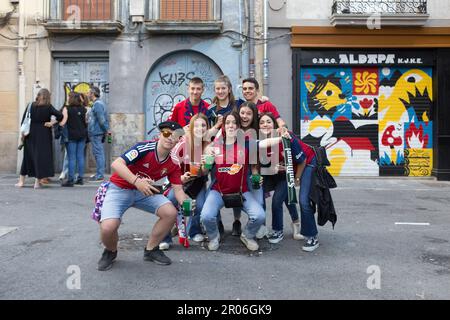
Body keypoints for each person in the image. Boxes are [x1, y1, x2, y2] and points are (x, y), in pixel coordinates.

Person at [96, 121, 193, 271]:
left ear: (178, 140)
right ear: (160, 135)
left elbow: (179, 191)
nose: (169, 138)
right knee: (108, 227)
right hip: (119, 188)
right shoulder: (144, 147)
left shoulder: (174, 162)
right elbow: (117, 164)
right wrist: (136, 181)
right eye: (166, 133)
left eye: (174, 136)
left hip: (144, 191)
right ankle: (110, 251)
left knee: (170, 213)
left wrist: (187, 202)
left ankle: (151, 250)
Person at [200, 112, 290, 252]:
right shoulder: (216, 145)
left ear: (238, 126)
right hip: (219, 191)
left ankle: (247, 235)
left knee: (259, 215)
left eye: (234, 123)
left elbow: (264, 143)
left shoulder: (246, 143)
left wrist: (281, 138)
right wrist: (205, 160)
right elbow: (205, 170)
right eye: (228, 122)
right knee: (206, 216)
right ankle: (213, 236)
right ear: (223, 126)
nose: (231, 125)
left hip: (241, 191)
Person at [159, 113, 212, 250]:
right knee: (170, 203)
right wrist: (181, 177)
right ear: (191, 127)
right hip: (177, 180)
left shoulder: (207, 144)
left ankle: (193, 230)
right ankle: (164, 237)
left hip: (196, 182)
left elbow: (205, 172)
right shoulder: (182, 143)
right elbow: (170, 165)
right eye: (197, 126)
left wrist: (203, 169)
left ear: (207, 128)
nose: (200, 129)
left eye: (203, 125)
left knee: (200, 205)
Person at [258, 112, 304, 244]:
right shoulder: (259, 140)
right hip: (269, 175)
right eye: (262, 122)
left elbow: (302, 160)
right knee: (260, 195)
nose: (265, 125)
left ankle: (278, 230)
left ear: (274, 124)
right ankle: (261, 226)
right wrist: (272, 168)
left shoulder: (285, 136)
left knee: (278, 200)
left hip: (286, 175)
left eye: (268, 122)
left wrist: (297, 178)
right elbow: (259, 163)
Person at [16, 89, 63, 189]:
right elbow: (60, 116)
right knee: (40, 158)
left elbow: (23, 121)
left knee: (27, 157)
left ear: (38, 95)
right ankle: (37, 183)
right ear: (47, 97)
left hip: (30, 134)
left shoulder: (30, 105)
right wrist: (51, 123)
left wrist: (23, 135)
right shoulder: (48, 107)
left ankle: (21, 182)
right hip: (44, 134)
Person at [231, 102, 265, 238]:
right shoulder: (233, 128)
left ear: (254, 116)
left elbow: (256, 156)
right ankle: (236, 222)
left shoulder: (258, 132)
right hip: (235, 171)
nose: (245, 116)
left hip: (252, 171)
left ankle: (255, 225)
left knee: (259, 200)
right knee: (235, 200)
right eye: (242, 113)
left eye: (249, 114)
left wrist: (256, 173)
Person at [59, 93, 88, 187]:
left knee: (71, 158)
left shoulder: (66, 109)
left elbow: (63, 122)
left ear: (71, 99)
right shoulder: (84, 109)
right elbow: (86, 121)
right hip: (82, 135)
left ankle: (70, 180)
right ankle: (80, 178)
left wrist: (57, 124)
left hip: (71, 136)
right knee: (80, 157)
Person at [88, 86, 109, 181]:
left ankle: (100, 175)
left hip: (97, 132)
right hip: (96, 132)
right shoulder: (97, 104)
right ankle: (98, 173)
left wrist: (106, 130)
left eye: (89, 93)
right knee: (97, 153)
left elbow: (101, 119)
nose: (87, 94)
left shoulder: (97, 104)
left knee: (99, 153)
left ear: (93, 94)